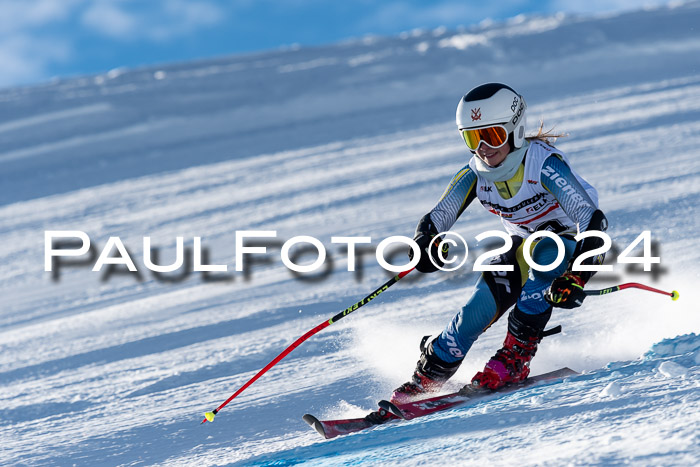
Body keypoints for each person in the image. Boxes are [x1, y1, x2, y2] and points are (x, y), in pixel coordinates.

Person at [391, 83, 608, 404]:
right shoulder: (476, 173)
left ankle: (514, 358)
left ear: (515, 131)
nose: (483, 148)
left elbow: (592, 221)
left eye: (491, 136)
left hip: (565, 244)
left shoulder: (542, 164)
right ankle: (428, 376)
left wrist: (578, 275)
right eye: (471, 138)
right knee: (473, 314)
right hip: (521, 246)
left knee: (546, 263)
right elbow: (438, 216)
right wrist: (425, 244)